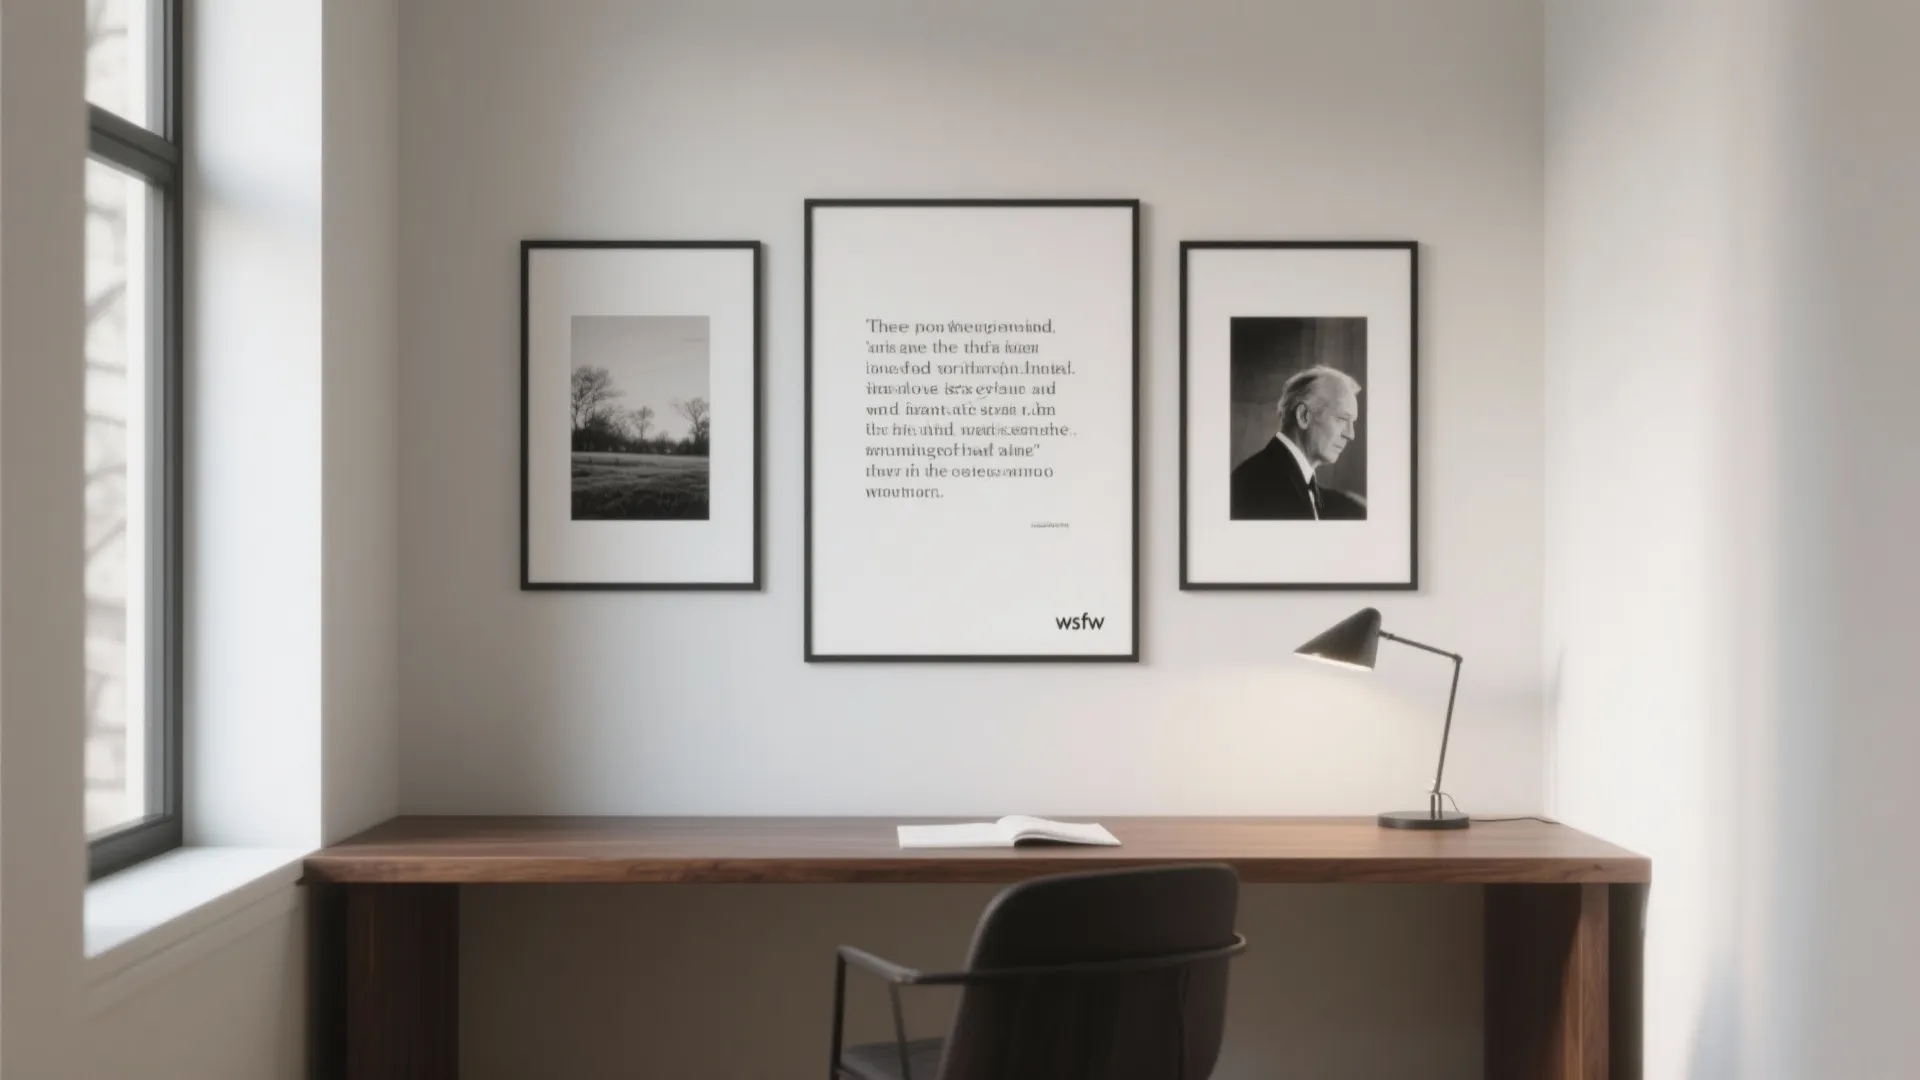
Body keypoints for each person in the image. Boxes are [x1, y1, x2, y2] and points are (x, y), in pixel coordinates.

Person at [1229, 365, 1363, 520]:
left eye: (1352, 422)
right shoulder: (1257, 487)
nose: (1350, 434)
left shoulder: (1281, 480)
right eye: (1342, 419)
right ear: (1304, 416)